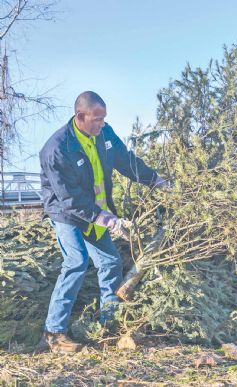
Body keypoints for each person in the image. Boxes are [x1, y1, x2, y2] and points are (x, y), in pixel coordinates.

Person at [37, 91, 168, 353]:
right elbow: (69, 199)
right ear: (80, 116)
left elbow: (126, 161)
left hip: (96, 211)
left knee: (110, 262)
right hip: (67, 212)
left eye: (103, 118)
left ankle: (110, 328)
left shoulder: (104, 134)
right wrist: (103, 218)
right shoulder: (57, 149)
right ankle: (53, 333)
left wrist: (155, 180)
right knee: (76, 262)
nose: (101, 123)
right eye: (96, 119)